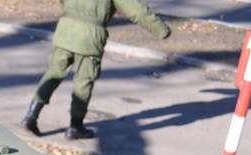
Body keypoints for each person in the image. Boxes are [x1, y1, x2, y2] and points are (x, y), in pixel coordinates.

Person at [22, 0, 170, 139]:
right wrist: (161, 29)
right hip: (90, 37)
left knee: (53, 73)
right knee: (83, 82)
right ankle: (75, 127)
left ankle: (31, 116)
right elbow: (136, 10)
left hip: (65, 30)